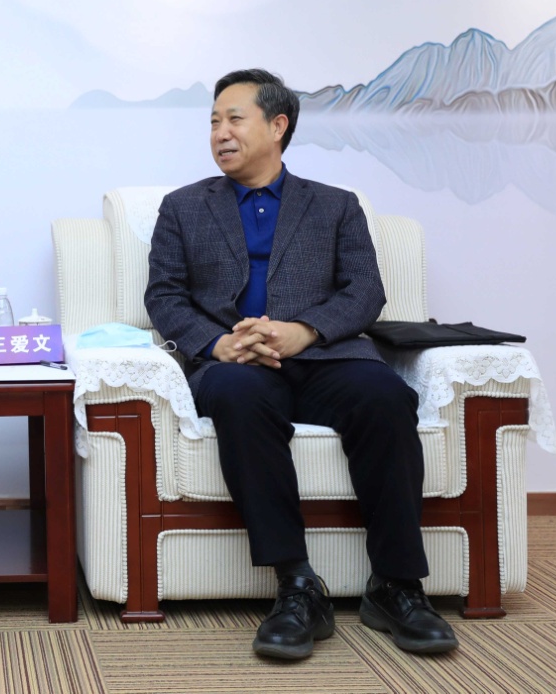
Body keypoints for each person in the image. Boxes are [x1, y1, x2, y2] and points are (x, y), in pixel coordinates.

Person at [145, 69, 457, 661]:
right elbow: (164, 294)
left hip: (327, 356)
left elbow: (365, 291)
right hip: (237, 365)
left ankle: (396, 585)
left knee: (386, 396)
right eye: (213, 122)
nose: (220, 132)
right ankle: (296, 585)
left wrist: (303, 331)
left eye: (234, 119)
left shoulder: (336, 206)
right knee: (237, 396)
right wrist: (217, 344)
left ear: (277, 125)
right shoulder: (183, 207)